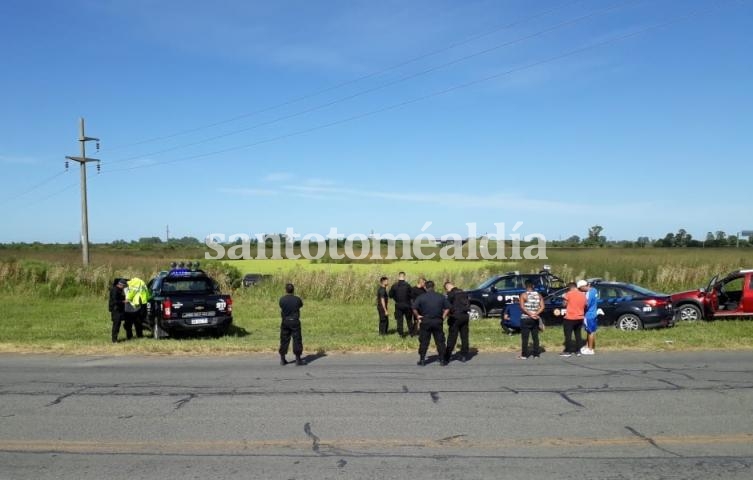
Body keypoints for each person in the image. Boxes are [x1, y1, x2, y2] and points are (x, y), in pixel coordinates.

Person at [412, 280, 450, 366]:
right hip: (437, 321)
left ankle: (422, 360)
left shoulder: (421, 297)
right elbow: (448, 307)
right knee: (440, 341)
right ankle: (442, 360)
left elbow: (414, 307)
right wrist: (443, 317)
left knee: (424, 341)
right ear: (434, 286)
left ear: (425, 287)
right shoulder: (440, 296)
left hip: (425, 321)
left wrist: (418, 316)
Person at [279, 283, 306, 366]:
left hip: (285, 321)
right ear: (293, 290)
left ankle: (283, 359)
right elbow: (301, 305)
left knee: (284, 339)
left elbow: (281, 306)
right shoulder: (297, 299)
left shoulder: (282, 299)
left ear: (286, 290)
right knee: (297, 339)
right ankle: (298, 360)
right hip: (295, 321)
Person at [444, 281, 470, 363]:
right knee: (464, 336)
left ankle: (447, 357)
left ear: (447, 288)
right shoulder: (463, 292)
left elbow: (447, 306)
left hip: (455, 318)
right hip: (465, 316)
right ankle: (464, 356)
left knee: (452, 337)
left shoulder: (451, 294)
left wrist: (446, 316)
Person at [518, 280, 544, 359]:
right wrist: (536, 314)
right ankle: (536, 354)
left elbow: (522, 307)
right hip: (535, 318)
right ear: (533, 286)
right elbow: (542, 307)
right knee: (535, 337)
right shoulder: (539, 295)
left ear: (525, 286)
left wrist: (530, 314)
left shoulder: (523, 295)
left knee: (525, 338)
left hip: (525, 318)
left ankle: (524, 355)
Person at [560, 281, 587, 357]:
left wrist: (564, 299)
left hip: (570, 317)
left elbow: (564, 304)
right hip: (580, 317)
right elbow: (585, 304)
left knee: (568, 335)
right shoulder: (582, 295)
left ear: (570, 288)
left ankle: (568, 351)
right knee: (578, 335)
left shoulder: (568, 294)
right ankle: (578, 351)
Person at [389, 272, 414, 337]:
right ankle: (411, 333)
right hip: (407, 305)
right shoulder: (408, 285)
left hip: (398, 305)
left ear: (398, 277)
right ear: (404, 277)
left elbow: (390, 295)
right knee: (409, 320)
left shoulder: (394, 285)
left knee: (399, 320)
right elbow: (412, 295)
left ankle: (401, 334)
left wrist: (395, 298)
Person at [580, 280, 599, 355]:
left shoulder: (588, 294)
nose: (580, 290)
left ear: (584, 286)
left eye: (581, 288)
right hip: (594, 313)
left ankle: (590, 349)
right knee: (590, 331)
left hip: (589, 315)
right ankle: (587, 346)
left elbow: (586, 305)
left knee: (590, 332)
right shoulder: (594, 290)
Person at [109, 278, 127, 343]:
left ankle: (115, 339)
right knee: (116, 325)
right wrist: (123, 301)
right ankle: (114, 340)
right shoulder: (114, 290)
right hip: (115, 310)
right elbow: (114, 301)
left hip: (119, 310)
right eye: (124, 286)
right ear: (120, 284)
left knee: (118, 324)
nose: (124, 288)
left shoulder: (119, 290)